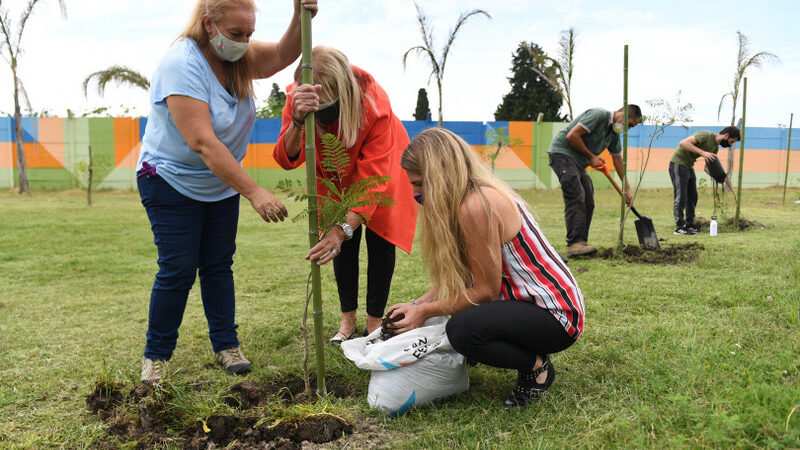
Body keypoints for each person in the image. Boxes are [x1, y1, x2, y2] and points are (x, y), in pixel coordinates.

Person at [135, 0, 319, 384]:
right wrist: (254, 191)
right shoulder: (181, 64)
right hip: (170, 179)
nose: (244, 41)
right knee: (178, 268)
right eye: (237, 33)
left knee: (218, 265)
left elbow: (282, 54)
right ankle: (156, 356)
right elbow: (203, 142)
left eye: (249, 33)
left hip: (219, 182)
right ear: (209, 24)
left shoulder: (237, 57)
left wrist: (298, 14)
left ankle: (226, 345)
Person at [387, 128, 585, 407]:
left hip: (557, 316)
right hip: (528, 306)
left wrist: (425, 311)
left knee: (462, 330)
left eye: (420, 183)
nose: (415, 193)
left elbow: (485, 291)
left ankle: (537, 368)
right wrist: (416, 304)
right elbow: (465, 273)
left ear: (440, 175)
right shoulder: (467, 199)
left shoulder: (477, 206)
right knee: (458, 318)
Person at [273, 47, 417, 343]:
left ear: (343, 95)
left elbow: (373, 181)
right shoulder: (300, 97)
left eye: (328, 109)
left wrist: (342, 229)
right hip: (335, 173)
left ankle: (374, 323)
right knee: (341, 244)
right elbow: (286, 158)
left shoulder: (374, 104)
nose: (324, 119)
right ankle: (347, 320)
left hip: (383, 170)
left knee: (380, 241)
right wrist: (297, 122)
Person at [548, 106, 642, 257]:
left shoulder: (613, 135)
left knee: (588, 200)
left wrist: (627, 188)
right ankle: (574, 244)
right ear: (623, 114)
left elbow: (617, 159)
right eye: (630, 124)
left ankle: (581, 243)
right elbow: (572, 136)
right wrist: (591, 157)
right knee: (576, 195)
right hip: (562, 154)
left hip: (578, 163)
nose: (628, 129)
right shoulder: (599, 115)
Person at [670, 126, 740, 234]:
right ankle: (679, 227)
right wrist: (703, 153)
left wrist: (720, 177)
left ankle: (689, 225)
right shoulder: (705, 135)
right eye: (731, 141)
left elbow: (708, 167)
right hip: (678, 164)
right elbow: (683, 143)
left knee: (692, 196)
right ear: (726, 136)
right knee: (681, 196)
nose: (730, 145)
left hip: (688, 166)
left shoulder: (715, 148)